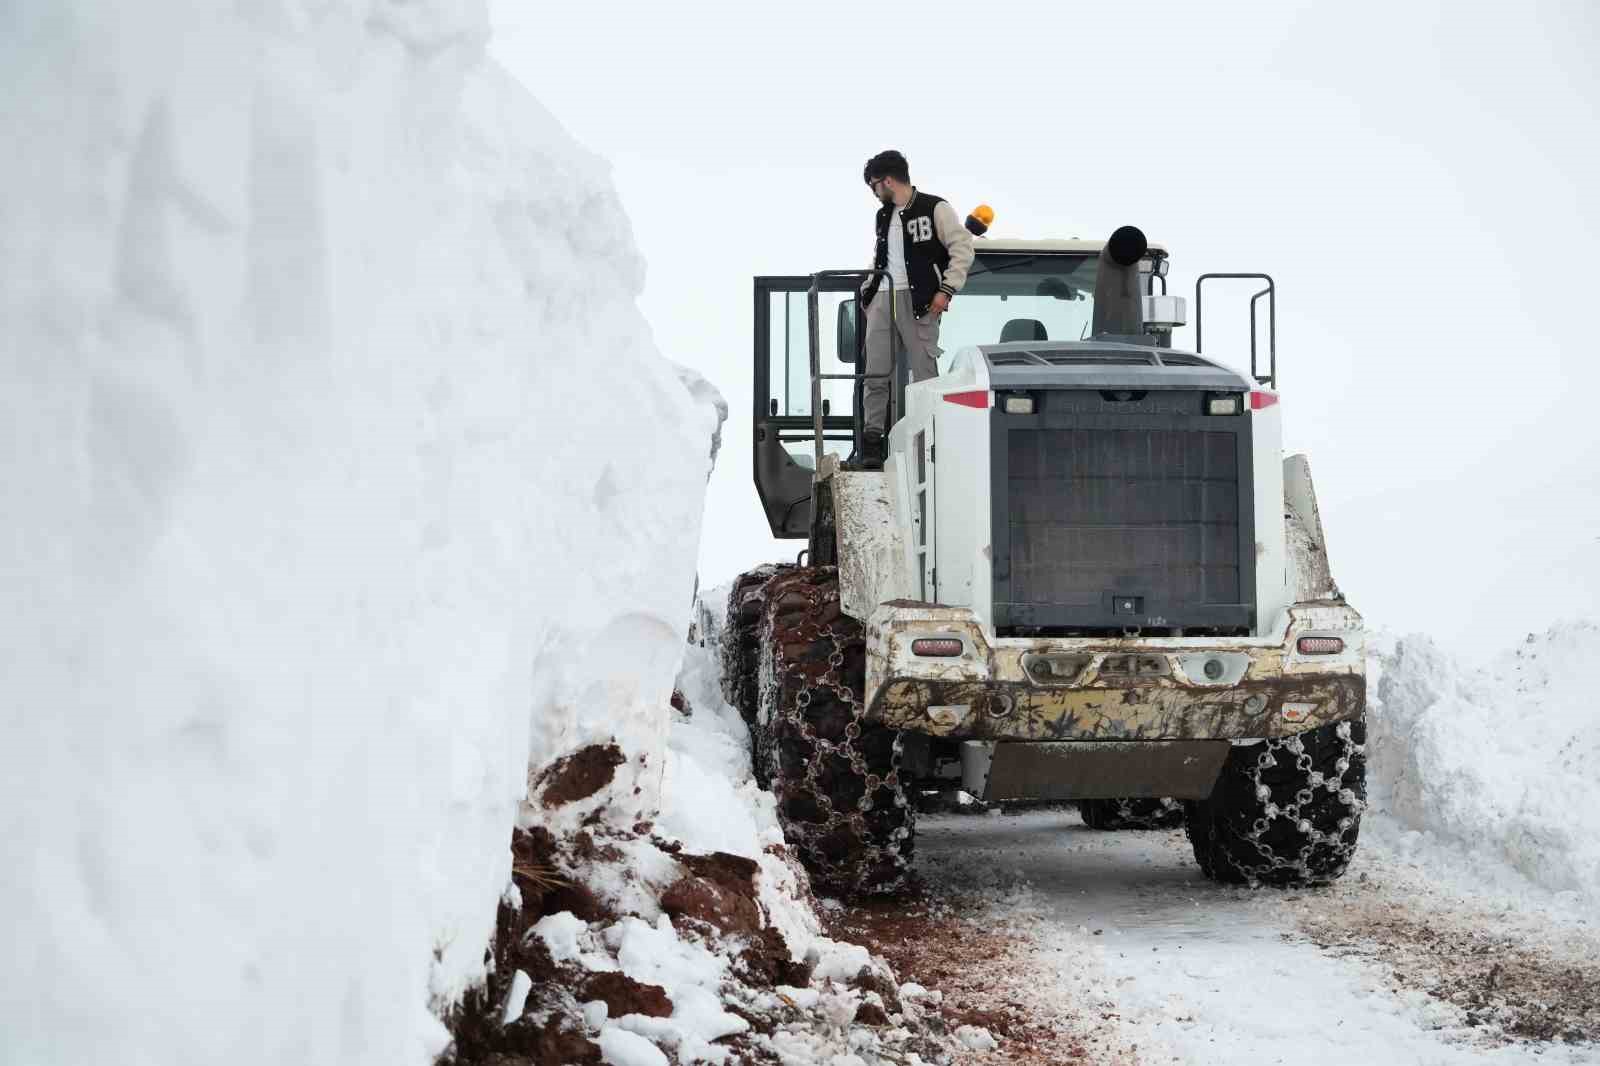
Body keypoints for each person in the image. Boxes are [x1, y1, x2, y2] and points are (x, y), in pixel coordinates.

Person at [849, 150, 974, 470]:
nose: (875, 193)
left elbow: (962, 248)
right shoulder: (883, 216)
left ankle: (928, 438)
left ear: (888, 181)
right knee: (875, 371)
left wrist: (946, 289)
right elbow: (881, 258)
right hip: (883, 297)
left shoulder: (935, 208)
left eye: (875, 185)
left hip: (921, 301)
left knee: (924, 372)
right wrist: (868, 293)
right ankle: (873, 442)